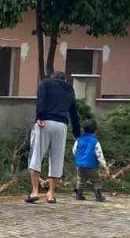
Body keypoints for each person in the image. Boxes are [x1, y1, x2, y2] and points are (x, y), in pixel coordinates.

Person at [27, 71, 82, 204]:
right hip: (61, 125)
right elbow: (73, 111)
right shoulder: (69, 88)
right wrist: (77, 133)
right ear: (64, 79)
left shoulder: (45, 83)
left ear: (52, 77)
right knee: (57, 159)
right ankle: (51, 193)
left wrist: (39, 116)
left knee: (37, 156)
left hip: (44, 122)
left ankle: (35, 191)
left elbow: (41, 100)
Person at [72, 118, 110, 202]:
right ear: (95, 130)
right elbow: (99, 155)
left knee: (81, 180)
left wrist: (79, 158)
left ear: (83, 129)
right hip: (92, 166)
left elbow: (74, 151)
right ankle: (98, 196)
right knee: (96, 180)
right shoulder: (95, 141)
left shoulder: (79, 140)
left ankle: (79, 195)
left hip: (80, 165)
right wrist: (105, 166)